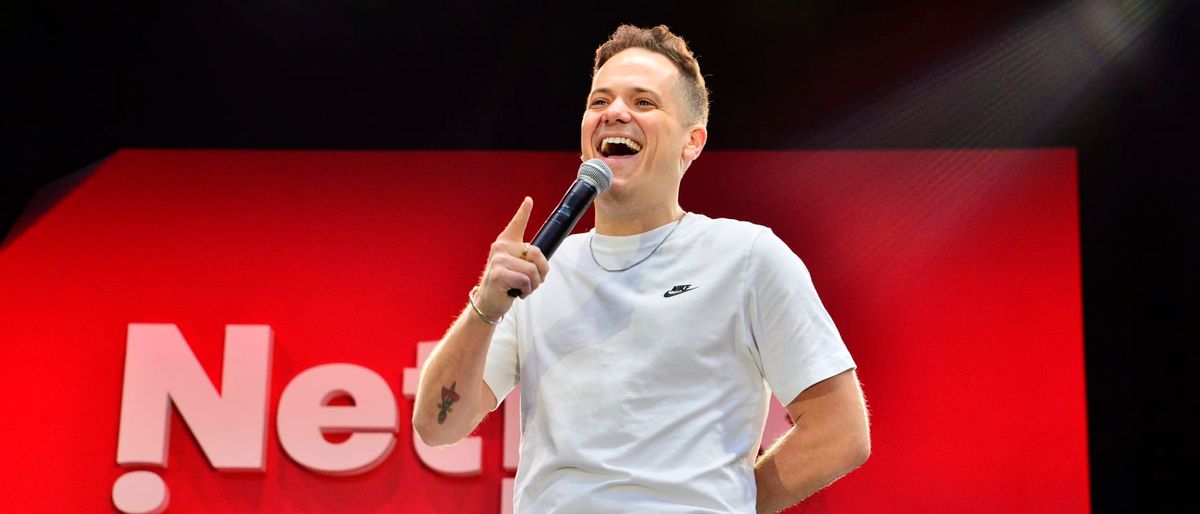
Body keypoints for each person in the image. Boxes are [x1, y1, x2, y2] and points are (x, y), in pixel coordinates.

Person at [414, 24, 870, 513]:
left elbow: (839, 431)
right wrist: (485, 308)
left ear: (692, 142)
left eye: (644, 102)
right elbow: (438, 426)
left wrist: (730, 504)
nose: (614, 112)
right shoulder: (540, 271)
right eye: (599, 101)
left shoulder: (746, 257)